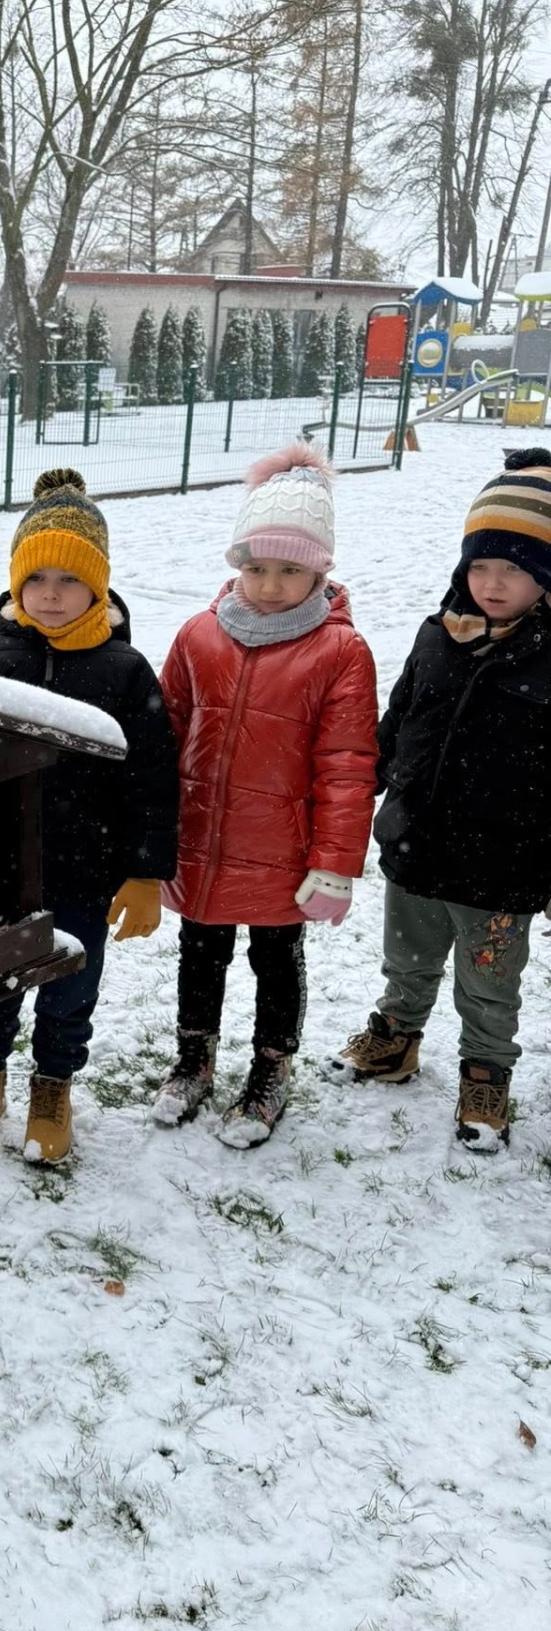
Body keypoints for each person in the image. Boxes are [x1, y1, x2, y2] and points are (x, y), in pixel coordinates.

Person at [0, 469, 179, 1164]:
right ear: (15, 584)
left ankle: (53, 1085)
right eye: (37, 580)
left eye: (69, 579)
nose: (51, 595)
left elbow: (152, 780)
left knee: (68, 986)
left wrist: (147, 875)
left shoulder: (124, 672)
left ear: (99, 586)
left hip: (87, 873)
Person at [154, 442, 378, 1146]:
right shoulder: (198, 636)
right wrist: (151, 837)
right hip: (203, 844)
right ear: (237, 565)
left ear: (320, 570)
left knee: (276, 961)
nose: (271, 584)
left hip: (284, 854)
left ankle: (270, 1071)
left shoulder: (341, 652)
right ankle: (194, 1058)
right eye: (257, 567)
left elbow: (346, 764)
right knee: (200, 955)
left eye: (290, 569)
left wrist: (334, 865)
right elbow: (163, 737)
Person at [333, 448, 551, 1149]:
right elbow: (399, 725)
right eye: (481, 566)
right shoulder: (438, 636)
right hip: (417, 845)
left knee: (489, 984)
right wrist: (360, 788)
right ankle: (395, 1038)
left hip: (503, 865)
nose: (492, 583)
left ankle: (486, 1073)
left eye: (513, 570)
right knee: (408, 958)